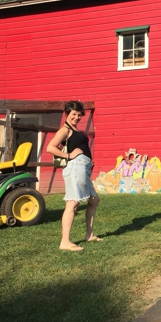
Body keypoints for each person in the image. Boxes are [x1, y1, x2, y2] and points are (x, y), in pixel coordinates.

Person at [47, 100, 101, 251]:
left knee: (94, 200)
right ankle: (65, 242)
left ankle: (89, 235)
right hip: (75, 168)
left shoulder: (75, 130)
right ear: (67, 114)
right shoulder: (65, 130)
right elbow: (50, 147)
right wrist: (69, 155)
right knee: (73, 203)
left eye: (79, 115)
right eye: (73, 114)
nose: (76, 117)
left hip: (83, 168)